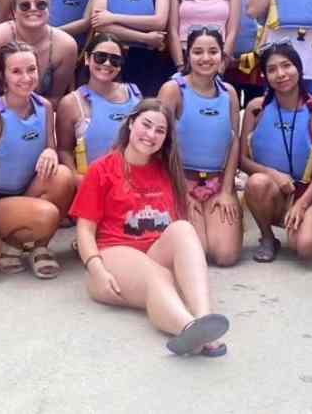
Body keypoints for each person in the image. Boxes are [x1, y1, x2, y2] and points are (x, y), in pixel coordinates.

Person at [70, 98, 231, 357]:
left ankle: (204, 317)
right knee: (157, 276)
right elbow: (85, 229)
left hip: (154, 251)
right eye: (146, 125)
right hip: (115, 253)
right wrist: (96, 269)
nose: (151, 135)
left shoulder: (166, 170)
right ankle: (188, 328)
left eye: (160, 130)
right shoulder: (102, 169)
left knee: (183, 229)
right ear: (131, 123)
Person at [0, 42, 73, 280]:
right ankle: (5, 240)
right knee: (47, 215)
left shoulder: (45, 106)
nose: (26, 78)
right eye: (16, 72)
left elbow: (49, 148)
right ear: (2, 76)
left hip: (28, 190)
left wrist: (51, 150)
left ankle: (38, 248)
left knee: (63, 176)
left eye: (31, 69)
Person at [240, 43, 312, 263]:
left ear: (298, 68)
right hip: (272, 191)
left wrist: (302, 203)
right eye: (272, 69)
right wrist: (274, 175)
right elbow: (241, 159)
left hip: (305, 192)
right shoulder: (256, 108)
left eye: (286, 66)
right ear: (265, 76)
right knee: (257, 183)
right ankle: (268, 237)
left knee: (306, 248)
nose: (280, 74)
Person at [157, 28, 241, 267]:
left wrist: (226, 190)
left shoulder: (229, 94)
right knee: (198, 252)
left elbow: (234, 141)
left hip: (216, 182)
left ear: (222, 57)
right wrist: (181, 189)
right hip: (181, 180)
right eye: (198, 52)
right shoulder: (173, 90)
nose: (206, 58)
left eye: (213, 51)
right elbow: (160, 145)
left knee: (225, 256)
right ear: (188, 55)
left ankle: (224, 213)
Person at [0, 0, 78, 105]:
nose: (33, 9)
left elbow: (55, 98)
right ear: (13, 12)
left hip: (38, 111)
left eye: (41, 4)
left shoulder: (66, 46)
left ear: (48, 9)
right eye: (25, 5)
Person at [57, 34, 143, 180]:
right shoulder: (71, 102)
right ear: (87, 58)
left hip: (131, 179)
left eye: (115, 60)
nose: (107, 63)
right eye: (100, 57)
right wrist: (76, 178)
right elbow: (64, 150)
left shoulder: (135, 95)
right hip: (92, 182)